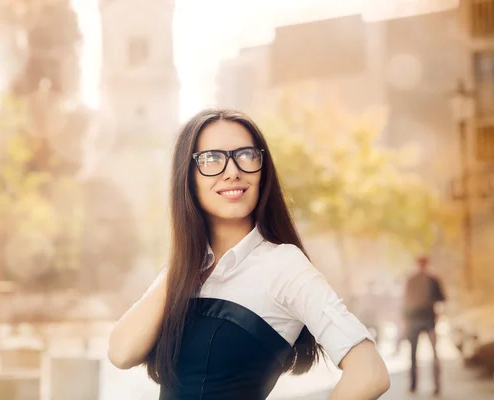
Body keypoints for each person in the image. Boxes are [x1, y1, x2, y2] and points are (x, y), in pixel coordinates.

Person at [108, 109, 390, 399]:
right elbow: (121, 352)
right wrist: (185, 261)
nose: (233, 171)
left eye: (246, 155)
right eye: (211, 159)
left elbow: (369, 373)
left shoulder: (283, 265)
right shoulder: (183, 270)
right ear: (188, 178)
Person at [403, 256, 446, 396]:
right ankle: (436, 386)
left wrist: (405, 322)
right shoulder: (433, 279)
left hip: (414, 321)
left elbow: (405, 302)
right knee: (434, 353)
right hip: (428, 320)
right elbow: (442, 299)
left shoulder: (410, 280)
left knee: (413, 354)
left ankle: (413, 385)